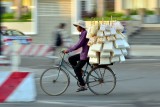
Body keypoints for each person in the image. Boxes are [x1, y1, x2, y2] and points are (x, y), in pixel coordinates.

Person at [63, 20, 89, 92]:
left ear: (80, 26)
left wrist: (68, 50)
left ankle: (83, 85)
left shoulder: (84, 33)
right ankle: (80, 71)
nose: (76, 27)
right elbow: (79, 44)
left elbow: (79, 44)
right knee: (71, 59)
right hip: (83, 53)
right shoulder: (82, 33)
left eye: (77, 26)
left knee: (76, 69)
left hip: (86, 55)